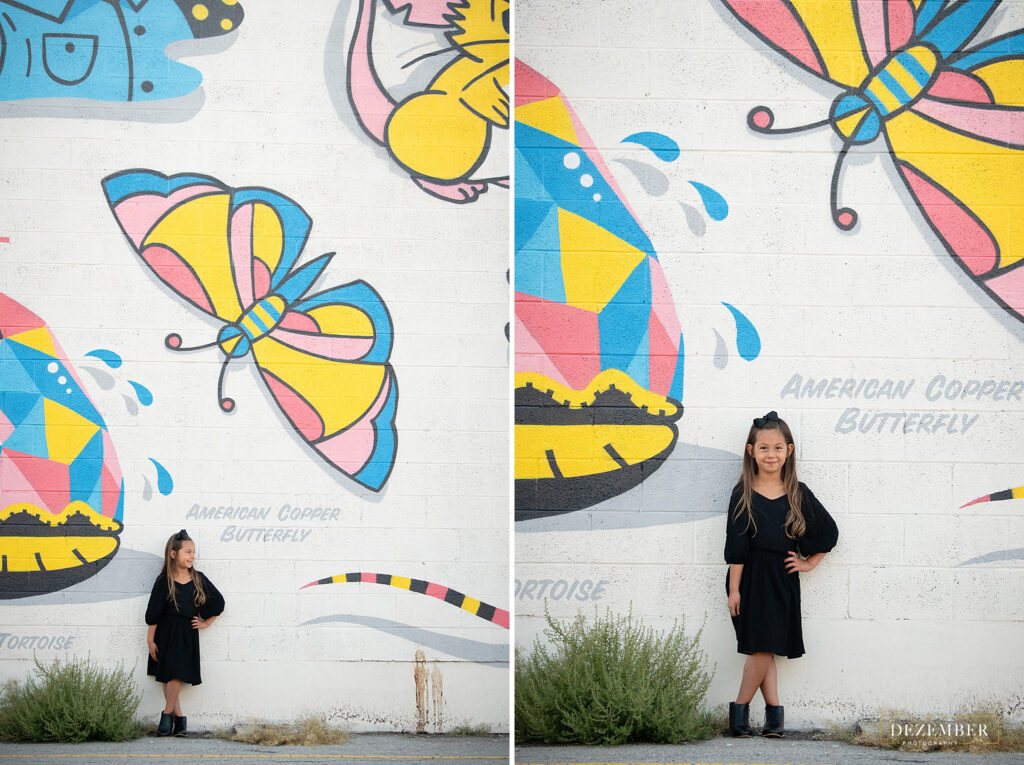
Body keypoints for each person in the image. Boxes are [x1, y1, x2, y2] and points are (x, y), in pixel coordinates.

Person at [724, 411, 838, 738]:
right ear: (751, 451)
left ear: (788, 450)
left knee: (766, 646)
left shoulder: (798, 492)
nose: (770, 455)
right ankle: (755, 715)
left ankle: (760, 716)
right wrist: (735, 590)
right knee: (762, 647)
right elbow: (736, 547)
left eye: (777, 448)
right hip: (748, 579)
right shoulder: (742, 493)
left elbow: (828, 533)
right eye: (763, 448)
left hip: (781, 579)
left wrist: (809, 562)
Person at [145, 529, 225, 737]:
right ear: (173, 554)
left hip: (186, 633)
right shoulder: (164, 581)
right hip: (165, 632)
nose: (192, 556)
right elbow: (154, 612)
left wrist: (207, 622)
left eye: (193, 552)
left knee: (175, 675)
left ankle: (166, 715)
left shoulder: (198, 579)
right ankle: (180, 721)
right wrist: (150, 640)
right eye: (187, 552)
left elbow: (218, 602)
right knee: (168, 676)